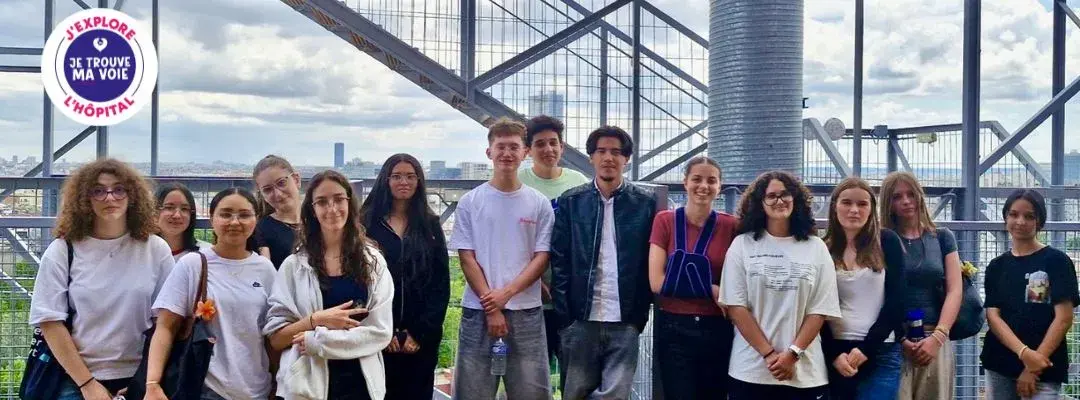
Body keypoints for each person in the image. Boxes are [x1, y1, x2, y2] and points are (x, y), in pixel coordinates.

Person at [29, 159, 174, 400]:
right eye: (98, 191)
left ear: (132, 196)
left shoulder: (155, 249)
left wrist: (148, 381)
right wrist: (87, 384)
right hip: (75, 379)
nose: (110, 197)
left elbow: (167, 320)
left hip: (139, 376)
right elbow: (49, 321)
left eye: (119, 189)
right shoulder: (63, 250)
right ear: (84, 199)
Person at [448, 118, 555, 400]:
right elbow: (466, 257)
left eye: (514, 147)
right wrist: (492, 306)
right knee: (472, 393)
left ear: (525, 152)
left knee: (532, 393)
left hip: (526, 310)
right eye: (501, 147)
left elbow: (542, 256)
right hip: (478, 311)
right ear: (489, 152)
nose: (507, 153)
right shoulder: (471, 202)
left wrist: (505, 295)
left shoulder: (539, 203)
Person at [265, 170, 395, 400]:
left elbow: (381, 333)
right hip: (307, 388)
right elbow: (277, 338)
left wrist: (317, 341)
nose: (332, 209)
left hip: (362, 387)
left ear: (350, 203)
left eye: (338, 199)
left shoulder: (373, 262)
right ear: (312, 210)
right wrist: (316, 320)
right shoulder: (294, 266)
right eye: (322, 202)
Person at [550, 125, 656, 399]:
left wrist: (638, 318)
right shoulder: (571, 201)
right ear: (591, 157)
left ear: (626, 159)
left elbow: (650, 260)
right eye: (602, 151)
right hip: (580, 320)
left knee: (616, 394)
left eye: (616, 152)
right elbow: (560, 261)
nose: (609, 157)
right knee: (574, 393)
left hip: (625, 321)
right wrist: (566, 317)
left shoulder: (644, 204)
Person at [144, 187, 276, 400]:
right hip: (204, 388)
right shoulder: (193, 264)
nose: (235, 222)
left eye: (244, 215)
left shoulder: (266, 269)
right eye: (226, 214)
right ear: (212, 218)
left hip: (257, 389)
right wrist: (152, 383)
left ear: (256, 220)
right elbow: (166, 326)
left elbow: (271, 335)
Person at [718, 170, 840, 399]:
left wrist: (792, 354)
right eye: (771, 196)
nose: (779, 200)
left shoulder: (816, 247)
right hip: (751, 371)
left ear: (796, 198)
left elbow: (819, 309)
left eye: (785, 194)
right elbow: (736, 307)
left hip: (805, 374)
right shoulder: (742, 245)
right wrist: (769, 355)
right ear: (760, 203)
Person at [360, 154, 450, 400]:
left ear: (419, 181)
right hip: (377, 338)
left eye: (411, 176)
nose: (404, 182)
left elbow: (440, 284)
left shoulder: (430, 225)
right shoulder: (366, 224)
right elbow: (358, 283)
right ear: (386, 180)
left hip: (420, 342)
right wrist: (383, 332)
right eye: (397, 176)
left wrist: (419, 333)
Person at [647, 156, 737, 399]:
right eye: (697, 179)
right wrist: (712, 289)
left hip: (717, 326)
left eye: (711, 181)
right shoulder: (665, 221)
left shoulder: (731, 226)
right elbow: (657, 282)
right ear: (685, 182)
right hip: (674, 326)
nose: (704, 186)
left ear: (719, 186)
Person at [981, 189, 1078, 400]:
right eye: (1013, 214)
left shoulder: (1057, 261)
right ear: (1005, 218)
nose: (1020, 221)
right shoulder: (997, 266)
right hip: (1000, 364)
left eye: (1029, 216)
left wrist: (1034, 365)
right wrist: (1025, 353)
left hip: (1045, 366)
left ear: (1039, 221)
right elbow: (993, 317)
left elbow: (1064, 318)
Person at [517, 115, 589, 388]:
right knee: (530, 379)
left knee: (576, 376)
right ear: (529, 150)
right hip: (529, 297)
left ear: (562, 146)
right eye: (540, 144)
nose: (548, 149)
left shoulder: (578, 182)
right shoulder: (519, 181)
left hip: (569, 296)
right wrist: (532, 279)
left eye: (553, 143)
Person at [820, 177, 907, 400]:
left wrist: (866, 348)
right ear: (834, 206)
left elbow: (897, 300)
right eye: (846, 203)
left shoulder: (887, 241)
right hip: (835, 350)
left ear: (871, 209)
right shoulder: (822, 249)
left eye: (862, 204)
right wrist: (834, 354)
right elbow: (816, 306)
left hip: (881, 350)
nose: (854, 210)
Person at [880, 172, 961, 400]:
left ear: (920, 197)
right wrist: (901, 340)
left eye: (911, 194)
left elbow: (955, 290)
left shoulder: (942, 237)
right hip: (893, 340)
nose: (906, 201)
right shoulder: (881, 240)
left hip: (935, 336)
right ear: (888, 203)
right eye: (897, 197)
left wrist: (938, 337)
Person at [253, 155, 303, 268]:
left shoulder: (319, 220)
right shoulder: (261, 230)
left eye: (281, 183)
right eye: (267, 189)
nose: (278, 194)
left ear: (296, 180)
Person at [155, 183, 210, 261]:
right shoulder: (141, 253)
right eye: (169, 207)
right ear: (154, 211)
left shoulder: (206, 255)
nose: (177, 215)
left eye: (184, 209)